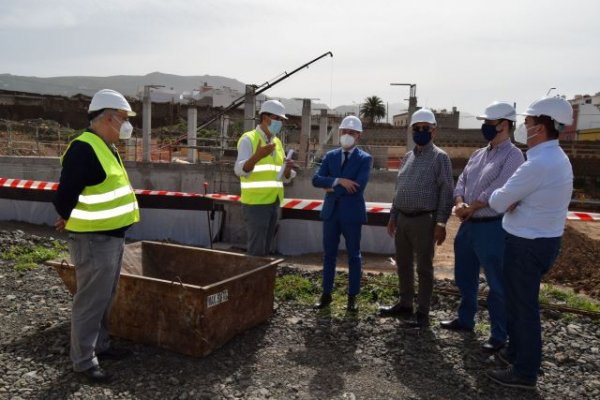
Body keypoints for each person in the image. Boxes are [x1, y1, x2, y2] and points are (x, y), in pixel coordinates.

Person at [486, 96, 574, 390]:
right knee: (519, 303)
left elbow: (498, 201)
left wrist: (512, 200)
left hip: (526, 245)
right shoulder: (557, 159)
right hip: (542, 241)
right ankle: (515, 353)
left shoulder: (537, 165)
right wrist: (516, 200)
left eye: (528, 123)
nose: (524, 127)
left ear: (541, 127)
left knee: (523, 308)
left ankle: (524, 371)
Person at [53, 89, 140, 382]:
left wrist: (69, 216)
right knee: (90, 301)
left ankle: (100, 346)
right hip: (93, 240)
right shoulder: (84, 148)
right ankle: (83, 360)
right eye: (124, 119)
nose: (127, 125)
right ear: (108, 118)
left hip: (111, 238)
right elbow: (64, 196)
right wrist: (69, 216)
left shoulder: (106, 146)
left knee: (105, 296)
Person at [440, 101, 524, 353]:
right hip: (469, 225)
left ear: (504, 125)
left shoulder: (514, 155)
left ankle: (499, 334)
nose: (485, 127)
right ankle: (466, 319)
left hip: (492, 227)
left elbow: (500, 188)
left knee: (496, 282)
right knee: (464, 276)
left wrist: (472, 207)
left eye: (489, 123)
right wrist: (459, 201)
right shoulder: (479, 154)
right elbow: (463, 180)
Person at [379, 108, 454, 327]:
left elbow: (446, 192)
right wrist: (393, 216)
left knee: (423, 267)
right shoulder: (407, 157)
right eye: (417, 128)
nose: (420, 131)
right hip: (402, 218)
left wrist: (441, 222)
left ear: (434, 131)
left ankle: (422, 311)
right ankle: (405, 304)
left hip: (424, 220)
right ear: (412, 131)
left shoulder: (440, 158)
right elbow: (399, 189)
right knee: (403, 264)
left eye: (425, 128)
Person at [312, 116, 373, 312]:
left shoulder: (365, 159)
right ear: (339, 133)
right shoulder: (330, 156)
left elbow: (358, 186)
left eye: (352, 132)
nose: (347, 135)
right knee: (329, 255)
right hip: (331, 213)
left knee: (354, 255)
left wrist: (330, 187)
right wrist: (339, 181)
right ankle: (326, 294)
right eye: (344, 131)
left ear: (359, 136)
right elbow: (316, 179)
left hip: (351, 214)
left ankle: (352, 297)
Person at [234, 100, 296, 256]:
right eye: (277, 118)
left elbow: (281, 175)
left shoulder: (277, 142)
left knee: (266, 249)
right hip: (256, 204)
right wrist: (257, 156)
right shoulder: (249, 139)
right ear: (265, 117)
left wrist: (287, 170)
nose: (280, 123)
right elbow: (239, 170)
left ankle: (262, 278)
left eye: (282, 120)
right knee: (256, 251)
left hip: (273, 202)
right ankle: (252, 279)